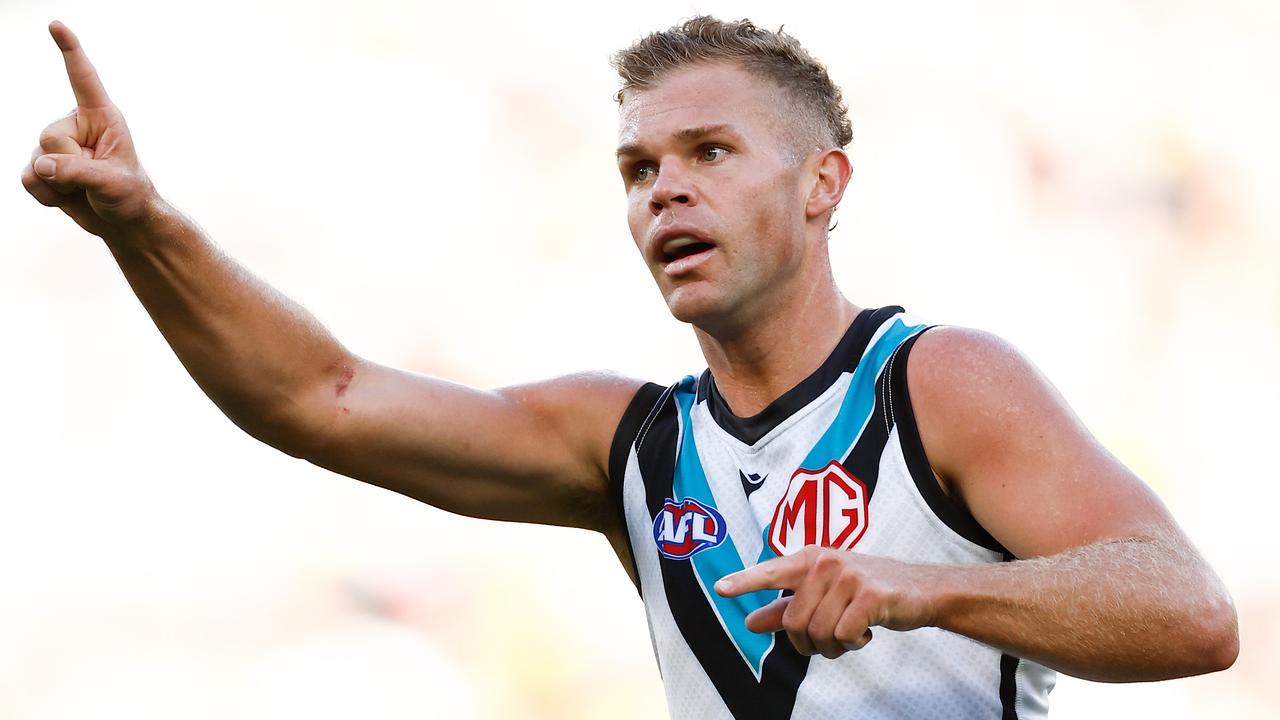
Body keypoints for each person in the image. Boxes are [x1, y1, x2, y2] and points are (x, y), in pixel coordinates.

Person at [21, 15, 1237, 720]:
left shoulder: (938, 382)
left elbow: (1188, 612)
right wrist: (145, 224)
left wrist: (918, 589)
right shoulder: (627, 442)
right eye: (637, 169)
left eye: (708, 151)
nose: (665, 190)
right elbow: (317, 398)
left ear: (823, 186)